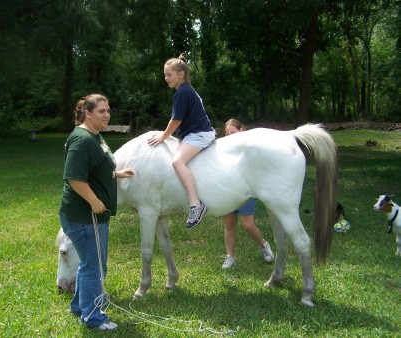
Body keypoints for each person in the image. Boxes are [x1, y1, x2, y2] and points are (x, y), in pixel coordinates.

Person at [58, 94, 134, 331]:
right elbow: (75, 178)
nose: (107, 115)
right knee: (95, 267)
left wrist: (116, 174)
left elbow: (97, 166)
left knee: (91, 264)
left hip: (91, 216)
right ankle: (93, 317)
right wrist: (94, 202)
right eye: (101, 111)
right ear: (87, 113)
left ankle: (80, 306)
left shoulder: (95, 136)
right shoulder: (82, 140)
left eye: (108, 110)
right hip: (84, 216)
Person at [147, 54, 215, 228]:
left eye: (169, 74)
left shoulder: (182, 93)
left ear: (181, 74)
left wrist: (163, 136)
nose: (166, 78)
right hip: (198, 133)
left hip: (199, 134)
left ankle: (196, 205)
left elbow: (176, 120)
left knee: (177, 162)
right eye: (165, 75)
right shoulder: (186, 90)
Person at [221, 119, 274, 269]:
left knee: (248, 225)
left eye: (233, 133)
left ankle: (263, 245)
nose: (230, 136)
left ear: (242, 130)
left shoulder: (250, 148)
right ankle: (229, 256)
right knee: (229, 224)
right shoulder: (224, 148)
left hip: (245, 191)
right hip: (228, 190)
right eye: (227, 134)